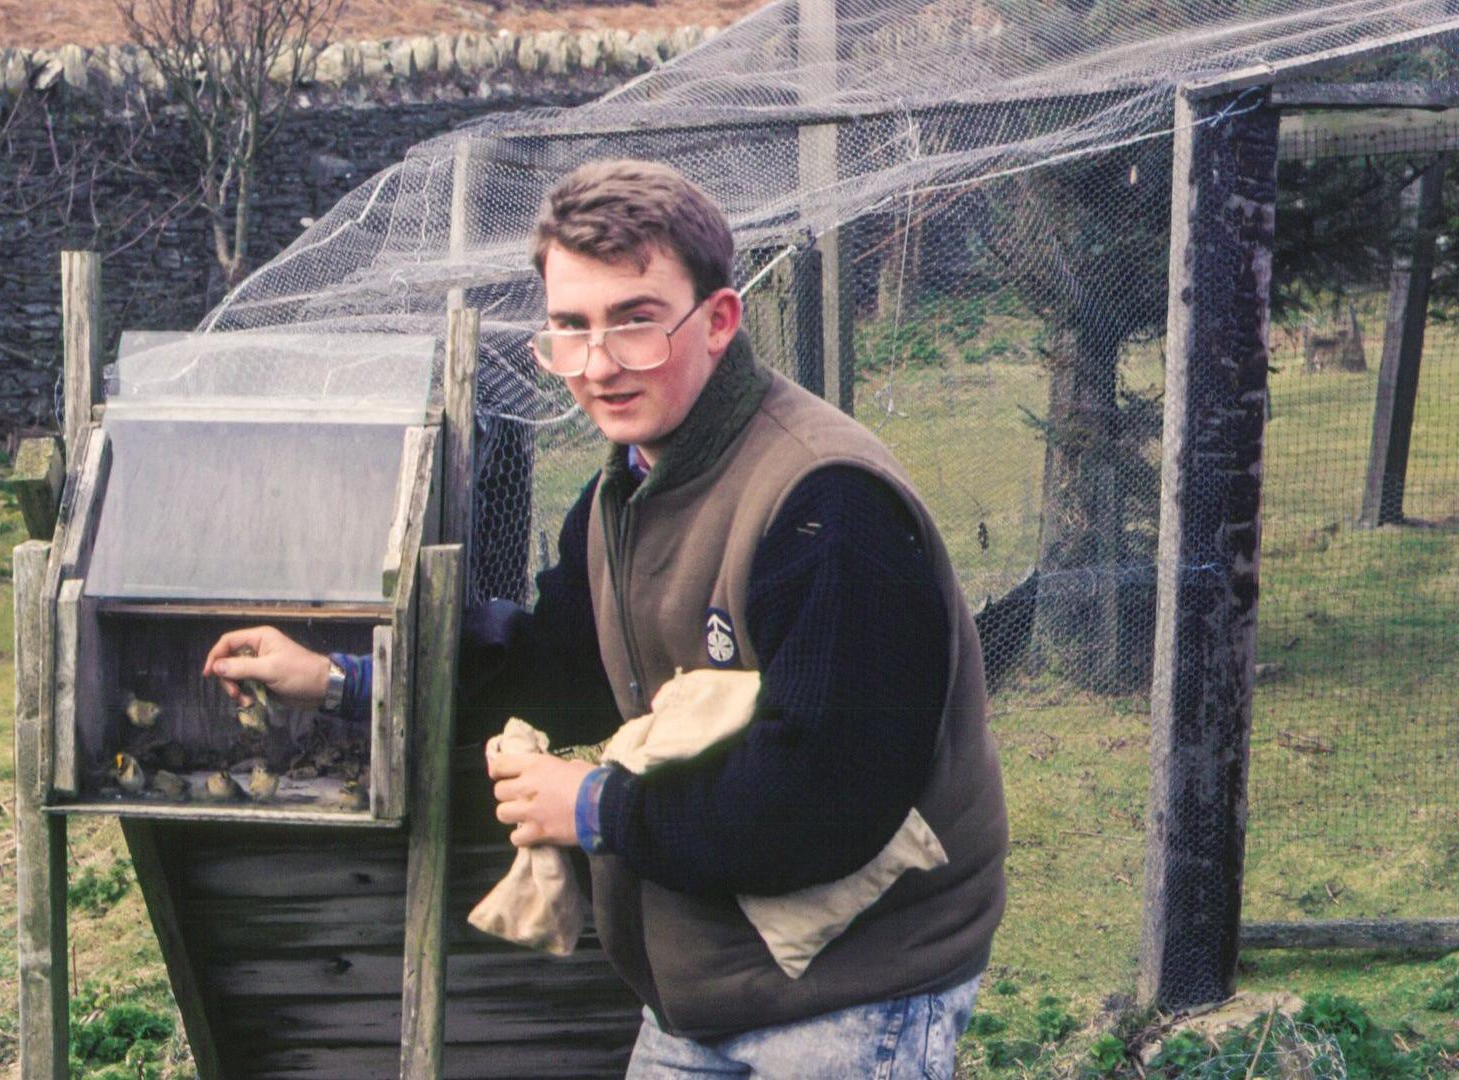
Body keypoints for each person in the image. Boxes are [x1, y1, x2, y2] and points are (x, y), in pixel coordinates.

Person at [202, 159, 1007, 1078]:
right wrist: (344, 679)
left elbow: (824, 802)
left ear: (718, 320)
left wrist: (590, 806)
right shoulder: (622, 494)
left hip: (854, 990)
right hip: (701, 986)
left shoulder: (828, 508)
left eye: (634, 322)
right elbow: (556, 669)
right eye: (570, 331)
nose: (598, 367)